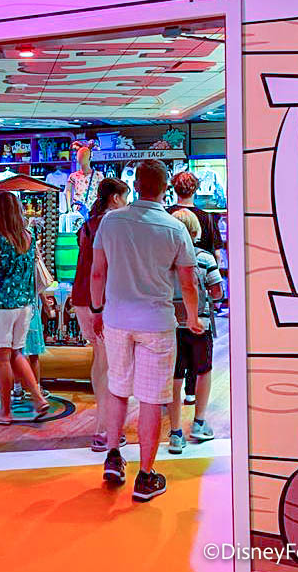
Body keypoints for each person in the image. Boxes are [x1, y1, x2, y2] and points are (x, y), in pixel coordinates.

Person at [91, 159, 200, 502]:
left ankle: (113, 455)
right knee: (152, 399)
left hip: (117, 318)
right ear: (165, 188)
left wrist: (97, 309)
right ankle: (146, 475)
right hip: (156, 322)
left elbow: (98, 272)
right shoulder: (175, 228)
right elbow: (188, 283)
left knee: (117, 388)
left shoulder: (111, 221)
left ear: (136, 185)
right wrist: (193, 318)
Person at [0, 191, 50, 424]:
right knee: (16, 353)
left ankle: (4, 412)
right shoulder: (28, 236)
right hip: (25, 304)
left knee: (2, 358)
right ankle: (38, 398)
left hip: (3, 305)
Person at [72, 177, 130, 452]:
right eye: (125, 197)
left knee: (100, 362)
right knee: (110, 366)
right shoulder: (114, 223)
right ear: (115, 198)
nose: (127, 203)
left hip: (82, 297)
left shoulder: (88, 224)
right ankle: (105, 430)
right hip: (102, 301)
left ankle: (103, 425)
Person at [167, 208, 224, 449]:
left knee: (174, 377)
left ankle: (175, 432)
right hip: (200, 323)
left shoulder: (163, 259)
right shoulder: (205, 258)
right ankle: (199, 422)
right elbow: (217, 291)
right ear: (195, 231)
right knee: (203, 370)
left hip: (170, 324)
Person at [166, 170, 223, 404]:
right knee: (198, 339)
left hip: (169, 292)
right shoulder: (207, 218)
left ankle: (170, 396)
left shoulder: (166, 214)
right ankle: (191, 392)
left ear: (173, 188)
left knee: (174, 345)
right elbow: (216, 253)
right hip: (199, 283)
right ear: (196, 189)